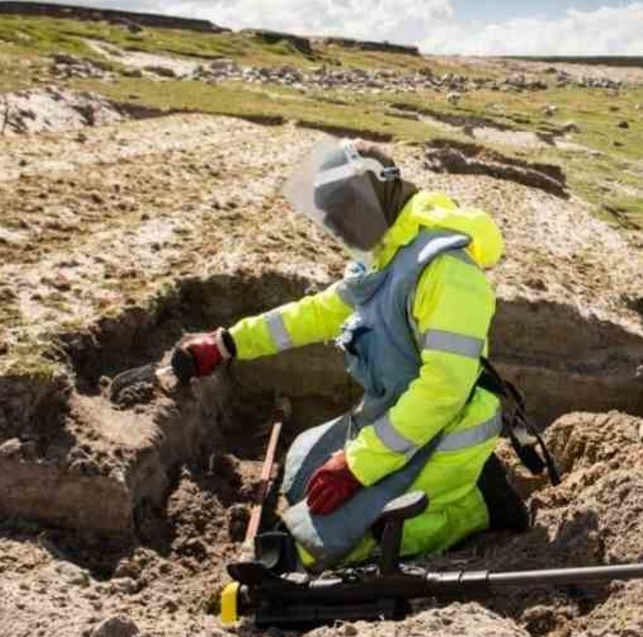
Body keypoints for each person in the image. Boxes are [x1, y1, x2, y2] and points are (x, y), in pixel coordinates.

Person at [170, 139, 526, 568]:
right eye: (329, 217)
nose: (336, 228)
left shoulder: (447, 272)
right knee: (302, 470)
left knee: (314, 548)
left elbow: (442, 392)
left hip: (445, 435)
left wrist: (358, 465)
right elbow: (317, 313)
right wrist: (229, 343)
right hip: (398, 418)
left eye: (342, 211)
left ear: (376, 193)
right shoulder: (387, 255)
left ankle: (480, 504)